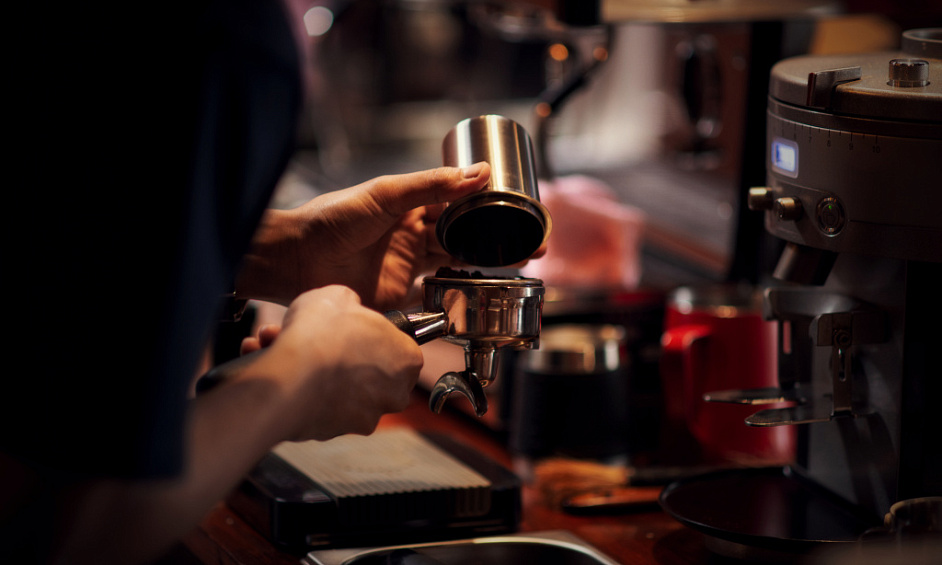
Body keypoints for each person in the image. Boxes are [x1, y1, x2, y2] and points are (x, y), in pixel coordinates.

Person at [2, 1, 531, 564]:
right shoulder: (227, 35)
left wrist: (277, 254)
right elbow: (64, 525)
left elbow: (55, 249)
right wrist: (302, 381)